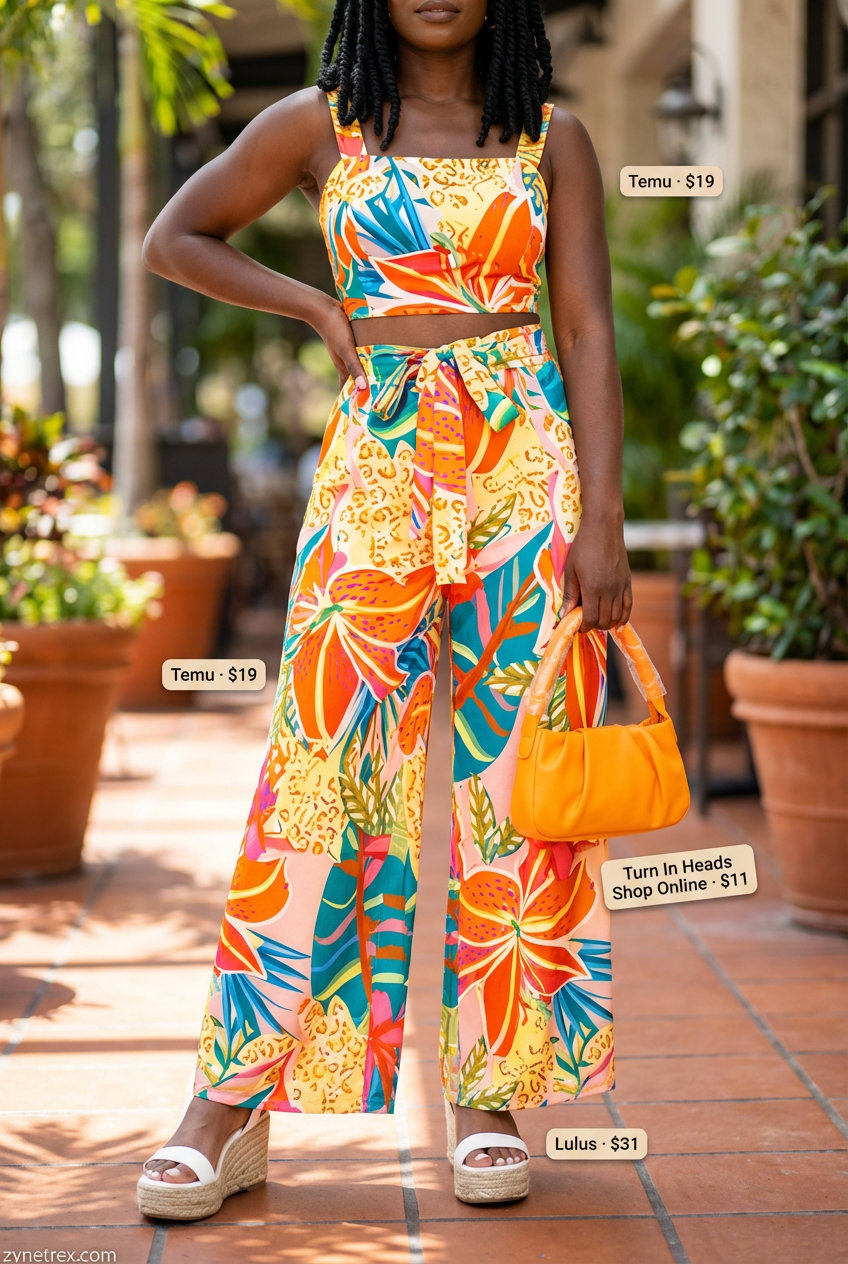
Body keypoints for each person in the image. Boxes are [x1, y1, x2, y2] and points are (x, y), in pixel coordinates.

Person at [137, 0, 632, 1219]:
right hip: (377, 459)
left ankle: (488, 1094)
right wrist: (312, 306)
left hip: (525, 462)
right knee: (324, 756)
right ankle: (231, 1097)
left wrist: (605, 520)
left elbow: (585, 327)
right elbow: (173, 236)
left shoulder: (547, 136)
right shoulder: (321, 122)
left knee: (511, 775)